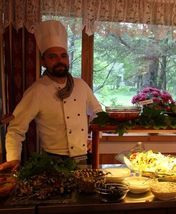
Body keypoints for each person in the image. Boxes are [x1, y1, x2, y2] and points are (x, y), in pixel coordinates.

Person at [0, 20, 102, 172]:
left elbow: (99, 113)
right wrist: (14, 158)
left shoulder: (81, 85)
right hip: (53, 162)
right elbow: (16, 129)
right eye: (52, 57)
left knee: (83, 195)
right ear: (43, 61)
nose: (59, 60)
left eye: (63, 56)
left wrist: (93, 138)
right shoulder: (37, 91)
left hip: (83, 158)